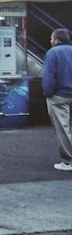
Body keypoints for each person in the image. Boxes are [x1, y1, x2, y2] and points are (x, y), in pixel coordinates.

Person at [43, 28, 72, 171]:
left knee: (63, 128)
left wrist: (48, 93)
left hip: (59, 96)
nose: (50, 41)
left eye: (51, 38)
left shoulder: (52, 53)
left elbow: (49, 77)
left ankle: (68, 161)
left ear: (56, 40)